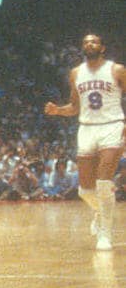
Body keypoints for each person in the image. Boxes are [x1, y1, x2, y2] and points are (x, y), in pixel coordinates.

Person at [45, 33, 125, 251]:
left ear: (103, 47)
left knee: (103, 182)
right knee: (85, 190)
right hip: (86, 128)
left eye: (94, 42)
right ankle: (101, 211)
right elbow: (75, 107)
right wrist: (58, 110)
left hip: (112, 125)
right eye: (86, 42)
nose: (90, 44)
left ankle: (105, 234)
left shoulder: (116, 69)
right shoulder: (76, 73)